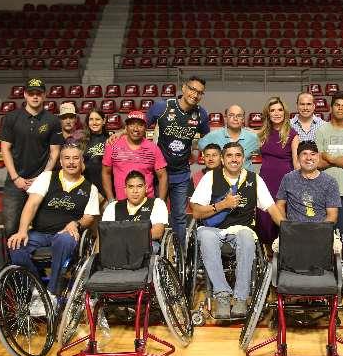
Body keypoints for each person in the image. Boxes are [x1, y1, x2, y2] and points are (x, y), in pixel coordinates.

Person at [190, 142, 284, 319]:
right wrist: (222, 205)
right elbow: (196, 211)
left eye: (238, 155)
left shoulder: (254, 178)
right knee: (204, 235)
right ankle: (223, 295)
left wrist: (288, 228)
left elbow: (271, 208)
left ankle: (241, 298)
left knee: (247, 236)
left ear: (244, 159)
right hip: (214, 230)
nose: (234, 159)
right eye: (229, 156)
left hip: (241, 230)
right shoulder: (210, 177)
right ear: (223, 160)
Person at [7, 144, 100, 308]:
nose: (71, 162)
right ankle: (37, 290)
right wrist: (22, 231)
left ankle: (53, 292)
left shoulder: (90, 188)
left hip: (66, 235)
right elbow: (32, 204)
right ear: (61, 161)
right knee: (15, 246)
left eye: (75, 158)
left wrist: (76, 223)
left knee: (63, 240)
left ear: (82, 161)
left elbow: (89, 217)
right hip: (40, 233)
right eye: (67, 158)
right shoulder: (47, 177)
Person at [146, 75, 209, 246]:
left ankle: (179, 253)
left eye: (200, 93)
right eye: (192, 89)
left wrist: (196, 150)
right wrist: (121, 133)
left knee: (179, 216)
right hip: (158, 173)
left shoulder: (201, 114)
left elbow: (206, 139)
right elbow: (137, 128)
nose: (195, 95)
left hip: (181, 173)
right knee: (154, 213)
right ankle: (154, 250)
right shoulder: (162, 107)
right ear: (184, 88)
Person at [0, 77, 63, 236]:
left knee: (43, 226)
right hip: (15, 182)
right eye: (31, 93)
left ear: (45, 96)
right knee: (10, 227)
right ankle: (10, 260)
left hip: (41, 181)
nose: (35, 96)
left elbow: (55, 152)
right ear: (25, 95)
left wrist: (42, 177)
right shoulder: (11, 118)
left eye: (39, 93)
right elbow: (5, 149)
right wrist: (16, 178)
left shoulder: (53, 120)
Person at [316, 92, 343, 248]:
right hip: (323, 191)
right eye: (337, 105)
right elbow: (317, 163)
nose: (340, 108)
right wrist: (342, 159)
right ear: (331, 107)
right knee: (323, 233)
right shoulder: (321, 131)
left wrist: (330, 157)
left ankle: (341, 268)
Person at [257, 97, 300, 251]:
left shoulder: (293, 134)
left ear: (285, 112)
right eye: (272, 110)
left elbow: (296, 163)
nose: (276, 113)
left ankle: (285, 256)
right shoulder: (262, 134)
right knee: (265, 218)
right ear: (267, 113)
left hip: (284, 181)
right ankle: (269, 257)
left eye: (280, 110)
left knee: (282, 216)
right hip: (265, 180)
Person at [102, 111, 168, 203]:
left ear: (145, 128)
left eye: (140, 125)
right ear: (126, 127)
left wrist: (161, 202)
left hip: (147, 202)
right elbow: (106, 173)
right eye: (132, 125)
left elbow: (162, 176)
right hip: (121, 203)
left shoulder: (153, 148)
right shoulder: (112, 145)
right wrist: (110, 199)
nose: (136, 129)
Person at [102, 170, 168, 255]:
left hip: (146, 246)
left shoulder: (157, 203)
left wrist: (128, 236)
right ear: (125, 190)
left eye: (139, 186)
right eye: (131, 187)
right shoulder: (113, 206)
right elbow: (104, 232)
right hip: (118, 246)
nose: (135, 191)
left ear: (146, 188)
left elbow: (157, 232)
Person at [276, 141, 340, 223]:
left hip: (320, 231)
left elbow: (332, 215)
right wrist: (286, 227)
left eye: (313, 154)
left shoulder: (330, 182)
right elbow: (280, 205)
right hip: (293, 231)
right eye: (304, 154)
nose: (309, 158)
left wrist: (321, 231)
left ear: (318, 157)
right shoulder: (288, 178)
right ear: (298, 157)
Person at [197, 104, 259, 171]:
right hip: (221, 179)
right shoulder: (213, 135)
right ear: (225, 118)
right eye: (231, 115)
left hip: (247, 179)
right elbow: (200, 146)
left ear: (243, 119)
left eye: (239, 116)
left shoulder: (253, 137)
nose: (235, 118)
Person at [81, 109, 108, 194]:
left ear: (103, 121)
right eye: (91, 119)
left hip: (104, 187)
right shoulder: (81, 141)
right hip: (86, 187)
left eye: (97, 119)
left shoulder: (110, 140)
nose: (94, 122)